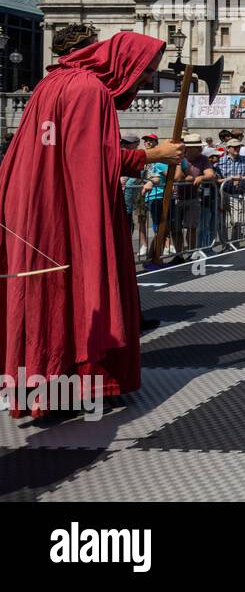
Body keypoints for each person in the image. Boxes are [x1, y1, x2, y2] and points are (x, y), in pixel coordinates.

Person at [1, 32, 183, 417]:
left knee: (51, 289)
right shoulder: (90, 90)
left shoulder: (54, 81)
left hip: (38, 203)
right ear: (122, 62)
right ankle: (81, 381)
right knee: (83, 285)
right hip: (65, 206)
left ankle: (53, 384)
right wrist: (153, 154)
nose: (148, 79)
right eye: (145, 70)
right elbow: (90, 159)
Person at [214, 138, 245, 248]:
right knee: (220, 221)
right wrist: (227, 179)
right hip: (221, 193)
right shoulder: (220, 161)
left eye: (239, 146)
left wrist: (241, 178)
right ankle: (225, 244)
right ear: (228, 149)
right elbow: (214, 175)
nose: (237, 149)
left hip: (236, 194)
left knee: (236, 221)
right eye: (234, 147)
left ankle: (234, 244)